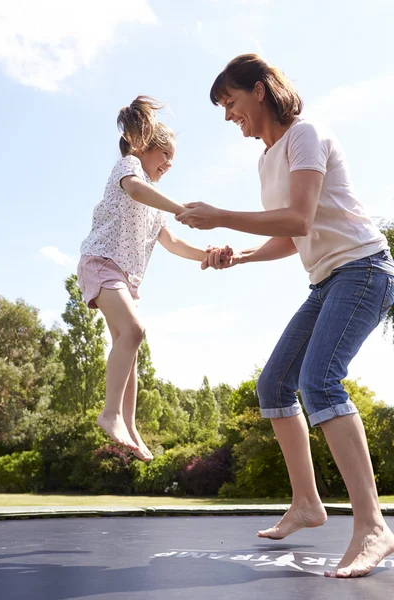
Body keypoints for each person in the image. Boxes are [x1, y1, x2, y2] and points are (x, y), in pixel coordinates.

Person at [176, 54, 394, 578]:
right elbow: (292, 235)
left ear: (259, 90)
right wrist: (241, 254)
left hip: (363, 268)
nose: (229, 116)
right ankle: (306, 503)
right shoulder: (265, 160)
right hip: (325, 280)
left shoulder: (306, 133)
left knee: (319, 382)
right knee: (275, 384)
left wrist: (220, 213)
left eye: (230, 102)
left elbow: (298, 214)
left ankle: (372, 526)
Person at [78, 96, 231, 461]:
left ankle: (128, 425)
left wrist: (206, 256)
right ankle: (110, 413)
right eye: (166, 154)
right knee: (133, 331)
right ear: (143, 145)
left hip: (125, 278)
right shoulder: (128, 167)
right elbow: (135, 189)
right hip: (101, 262)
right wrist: (181, 208)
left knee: (127, 348)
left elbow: (173, 242)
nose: (170, 163)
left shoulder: (154, 202)